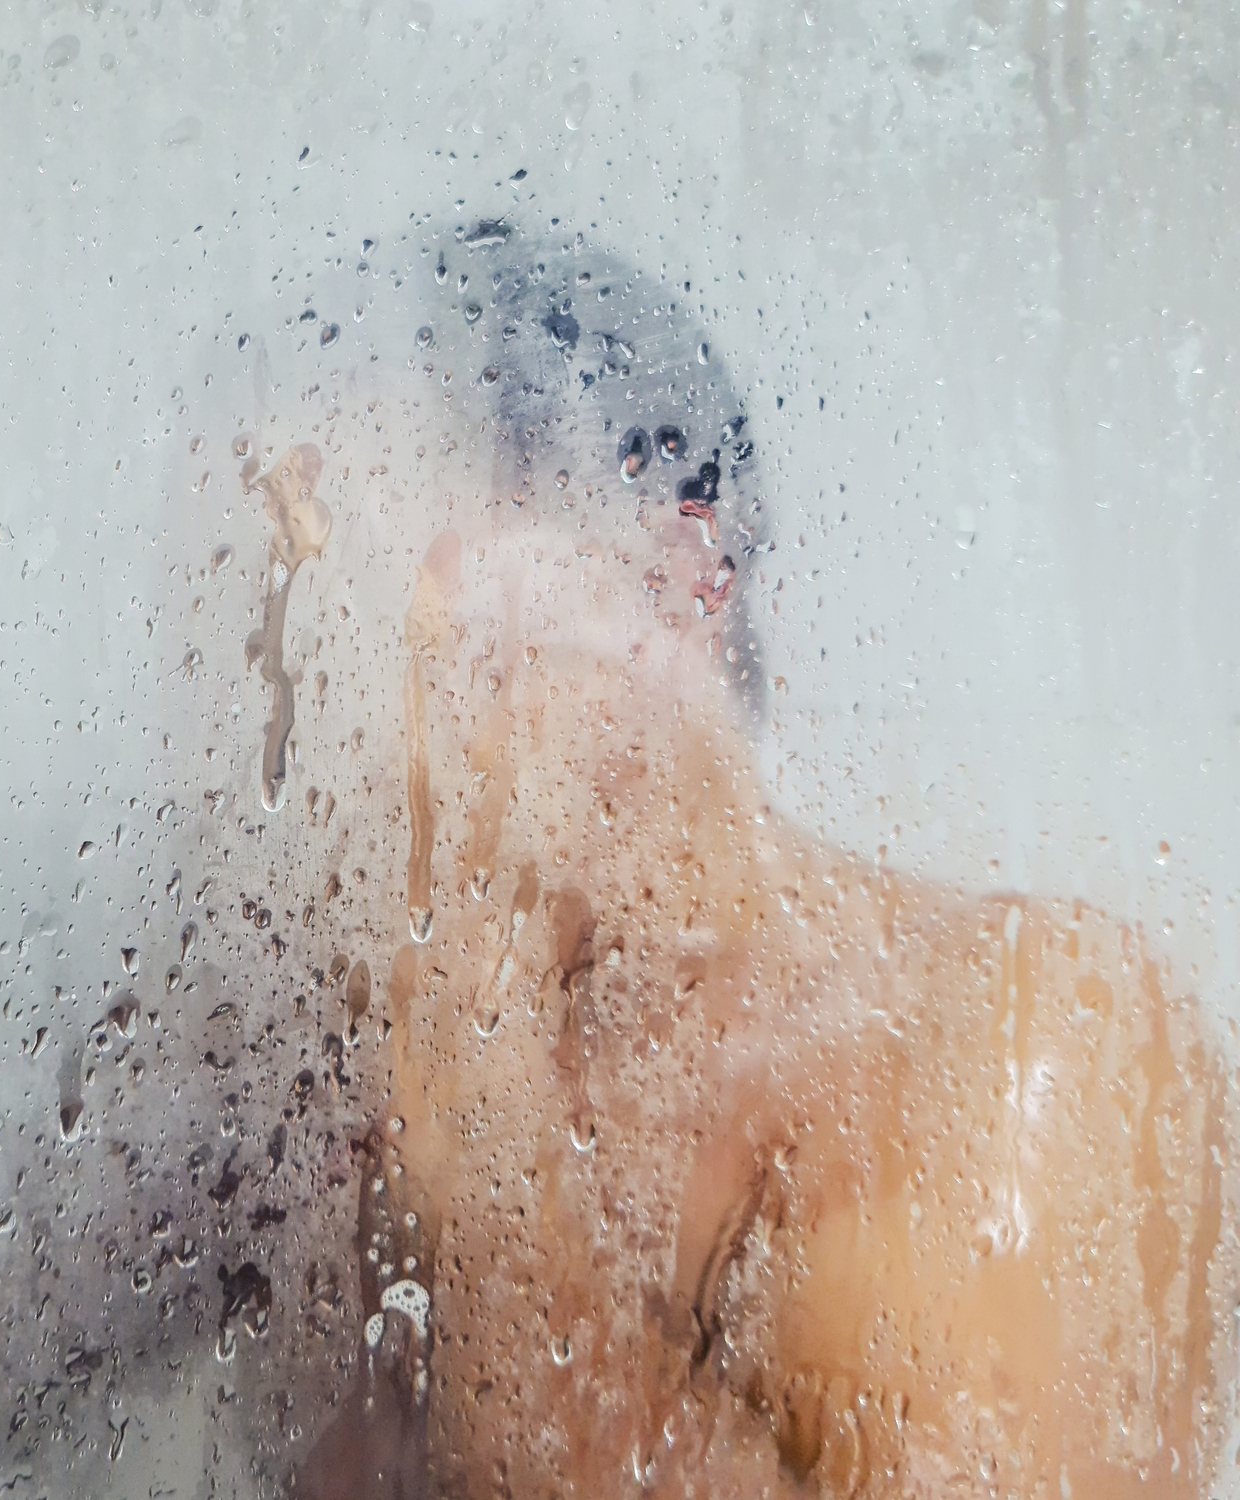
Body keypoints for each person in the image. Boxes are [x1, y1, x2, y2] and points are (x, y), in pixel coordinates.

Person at [276, 238, 1237, 1500]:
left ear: (678, 572)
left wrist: (475, 1119)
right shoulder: (320, 1107)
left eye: (344, 624)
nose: (294, 739)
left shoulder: (1006, 1038)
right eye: (254, 656)